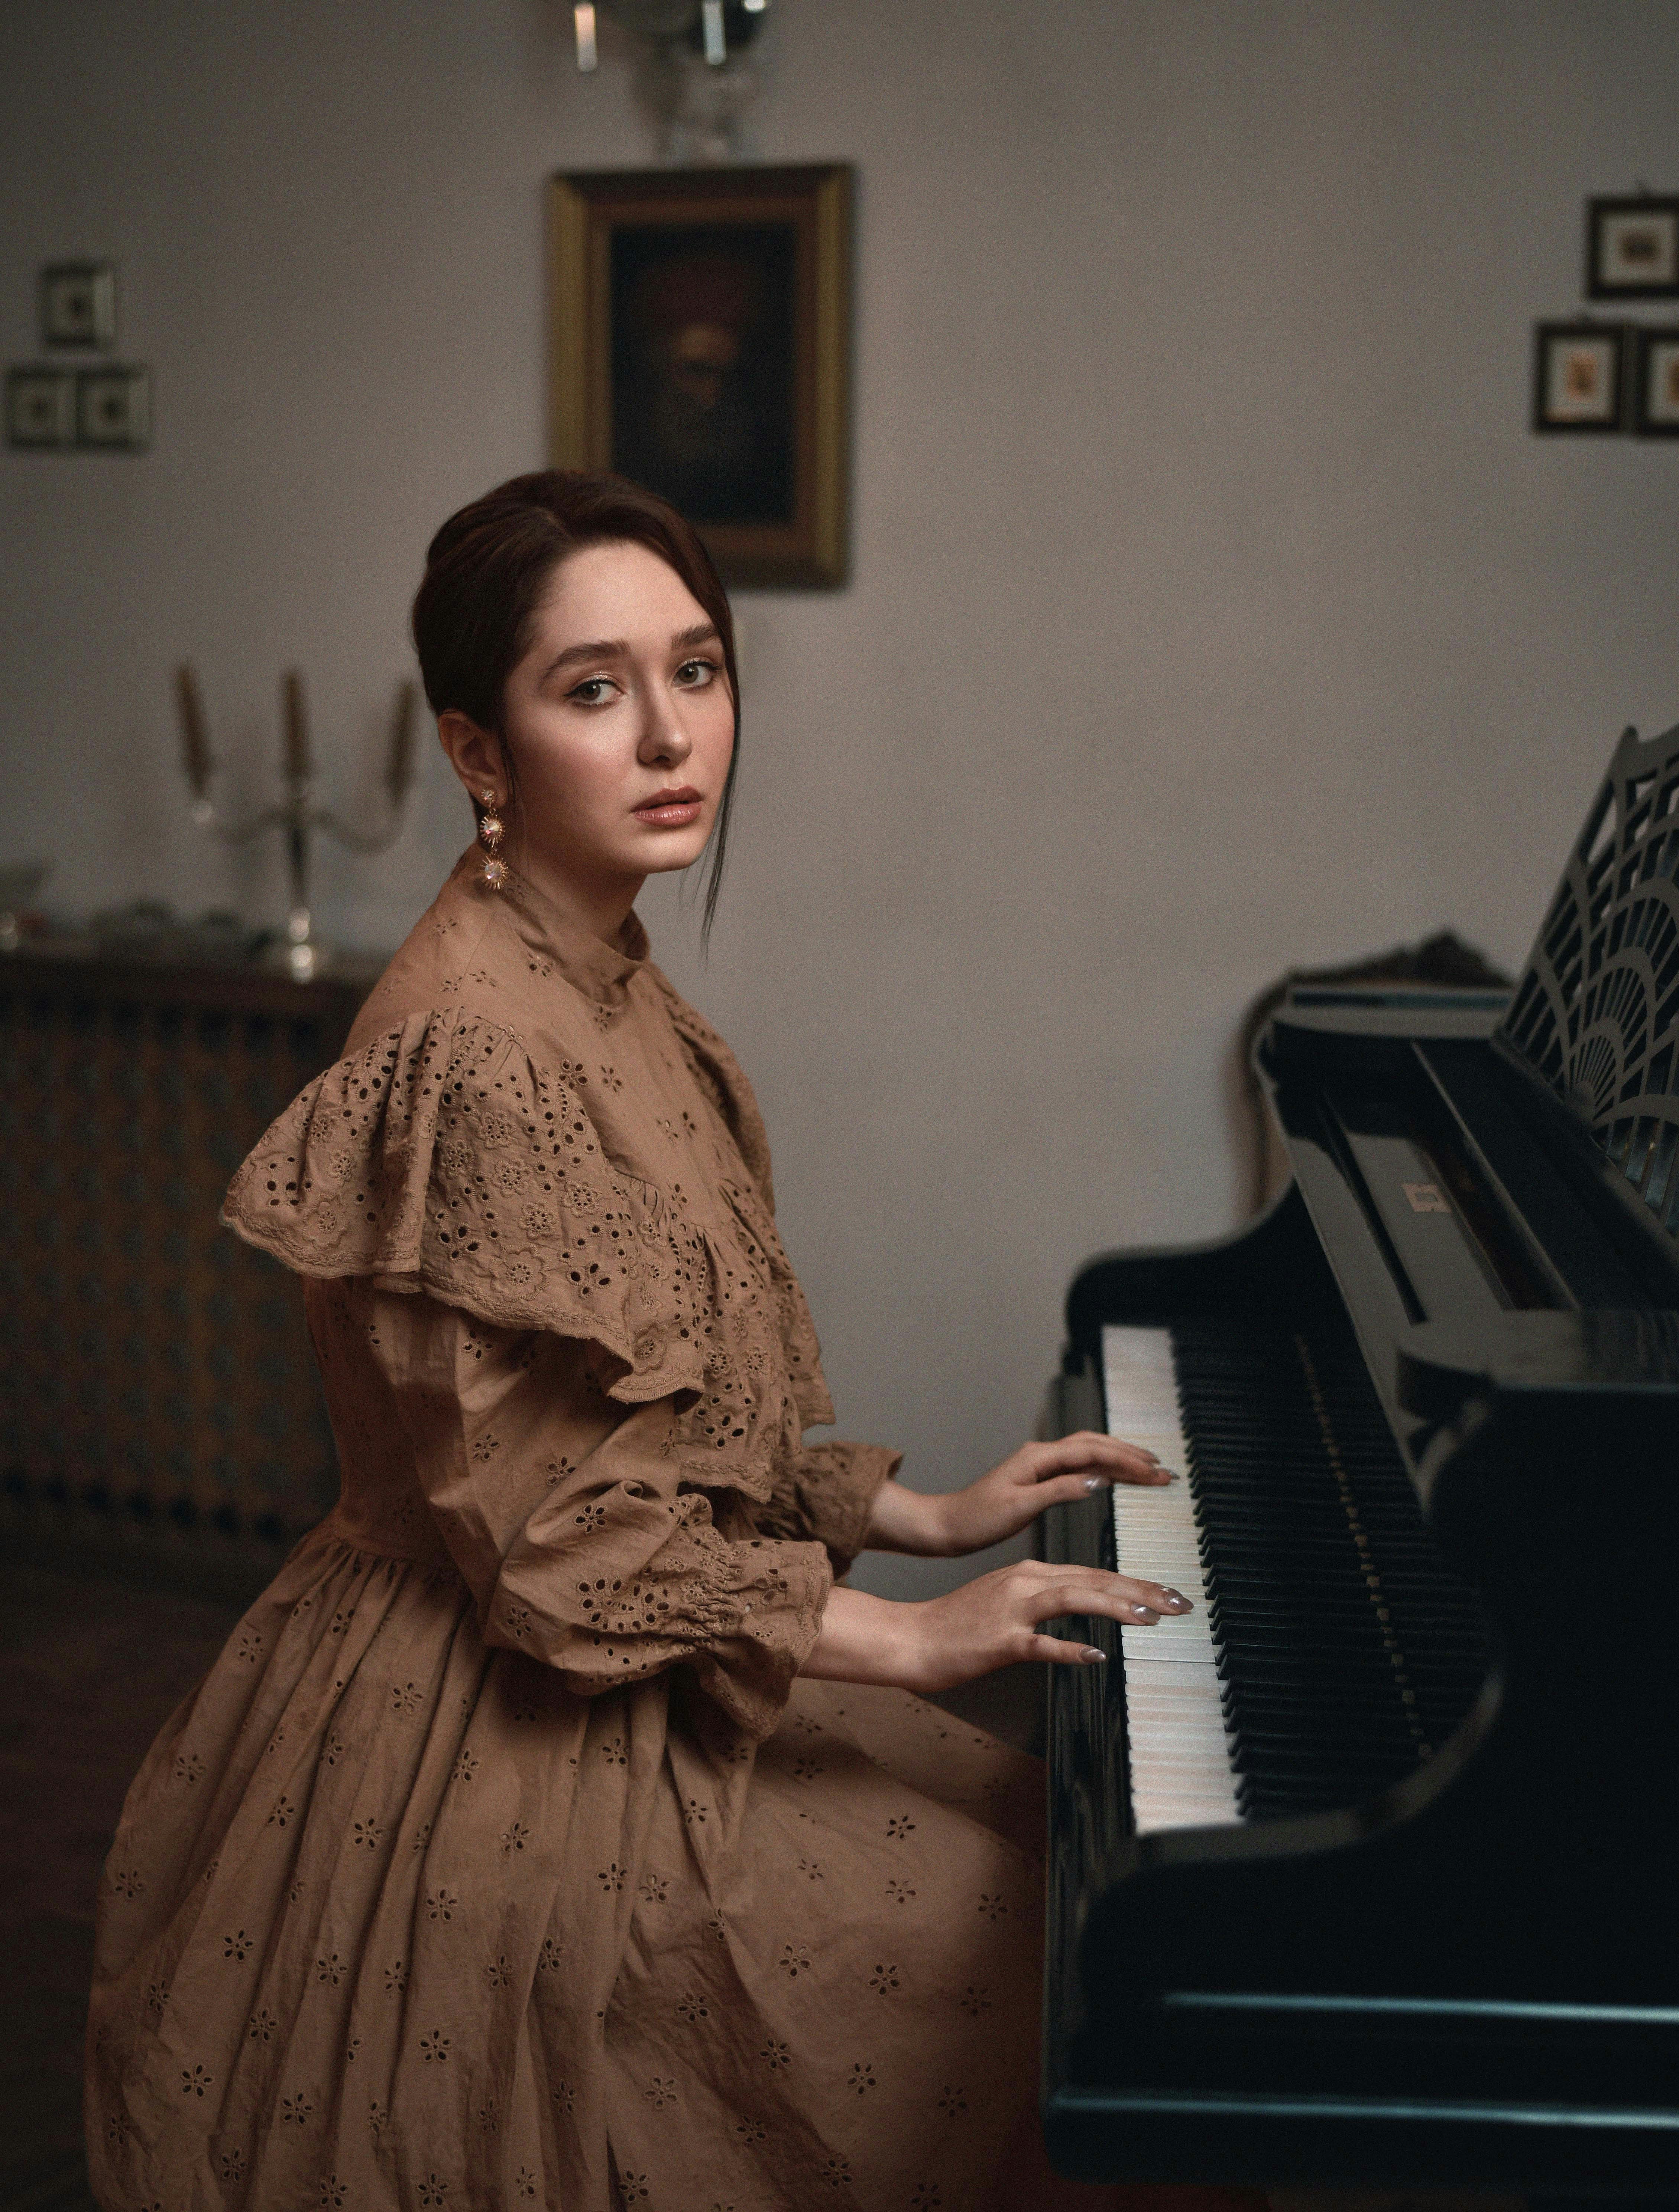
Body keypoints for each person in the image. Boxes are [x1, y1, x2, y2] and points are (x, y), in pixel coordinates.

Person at [84, 470, 1201, 2212]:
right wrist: (912, 1644)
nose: (671, 734)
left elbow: (650, 1420)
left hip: (640, 1645)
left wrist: (923, 1516)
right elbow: (555, 1544)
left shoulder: (602, 973)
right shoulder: (481, 1053)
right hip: (496, 1712)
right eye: (594, 689)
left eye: (698, 669)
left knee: (1070, 1880)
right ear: (478, 749)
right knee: (1057, 1961)